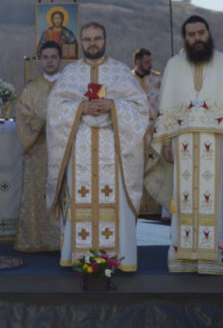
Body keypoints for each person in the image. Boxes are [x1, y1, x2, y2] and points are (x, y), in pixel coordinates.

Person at [154, 16, 223, 274]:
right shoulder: (174, 64)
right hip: (182, 144)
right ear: (185, 37)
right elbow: (166, 106)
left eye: (201, 33)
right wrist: (166, 140)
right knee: (183, 198)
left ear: (208, 34)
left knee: (216, 199)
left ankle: (213, 257)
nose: (196, 38)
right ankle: (182, 257)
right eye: (191, 34)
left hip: (216, 142)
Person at [46, 22, 148, 270]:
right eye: (88, 39)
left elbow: (140, 108)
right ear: (81, 42)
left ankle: (120, 258)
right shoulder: (70, 74)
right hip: (79, 149)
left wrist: (112, 106)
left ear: (105, 40)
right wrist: (81, 108)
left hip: (113, 153)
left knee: (115, 200)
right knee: (78, 201)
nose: (92, 43)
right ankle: (78, 256)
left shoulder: (121, 72)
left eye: (97, 38)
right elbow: (54, 109)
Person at [14, 40, 63, 252]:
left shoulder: (69, 86)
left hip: (64, 149)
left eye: (54, 57)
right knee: (38, 193)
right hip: (39, 148)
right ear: (40, 60)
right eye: (46, 57)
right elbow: (22, 114)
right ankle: (36, 239)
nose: (50, 61)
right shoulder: (32, 88)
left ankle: (64, 240)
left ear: (60, 59)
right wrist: (40, 123)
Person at [133, 47, 166, 219]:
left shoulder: (159, 79)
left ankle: (155, 204)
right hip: (136, 132)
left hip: (155, 130)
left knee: (155, 166)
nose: (150, 65)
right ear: (137, 62)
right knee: (137, 167)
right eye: (146, 62)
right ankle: (137, 204)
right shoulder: (128, 79)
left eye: (151, 61)